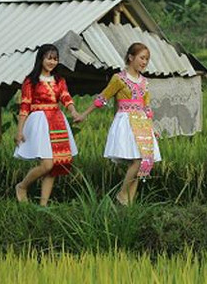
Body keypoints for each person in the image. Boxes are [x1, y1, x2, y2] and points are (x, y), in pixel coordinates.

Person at [81, 42, 162, 205]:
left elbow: (146, 107)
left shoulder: (144, 82)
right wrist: (84, 114)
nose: (144, 62)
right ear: (131, 57)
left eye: (147, 59)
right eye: (142, 58)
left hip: (142, 123)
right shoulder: (119, 79)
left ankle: (129, 203)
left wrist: (152, 128)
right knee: (137, 161)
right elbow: (103, 97)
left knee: (143, 160)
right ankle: (122, 193)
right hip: (126, 121)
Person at [14, 44, 83, 206]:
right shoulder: (31, 81)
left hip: (57, 121)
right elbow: (25, 106)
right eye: (49, 58)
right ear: (41, 59)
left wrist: (73, 112)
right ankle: (22, 186)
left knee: (54, 167)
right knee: (47, 164)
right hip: (39, 122)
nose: (52, 62)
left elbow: (66, 98)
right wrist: (19, 131)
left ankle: (43, 205)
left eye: (55, 59)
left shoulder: (59, 80)